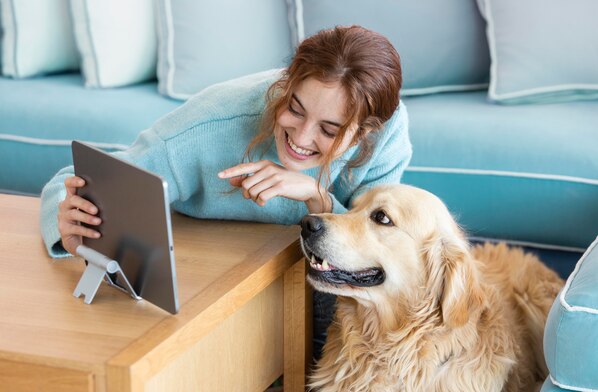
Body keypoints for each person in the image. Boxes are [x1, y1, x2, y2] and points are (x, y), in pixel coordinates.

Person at [39, 25, 412, 358]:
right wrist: (72, 228)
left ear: (364, 133)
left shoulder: (385, 131)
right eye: (294, 109)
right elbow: (73, 178)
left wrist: (318, 198)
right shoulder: (207, 128)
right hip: (225, 274)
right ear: (285, 85)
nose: (301, 137)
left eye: (329, 131)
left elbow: (375, 245)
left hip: (314, 278)